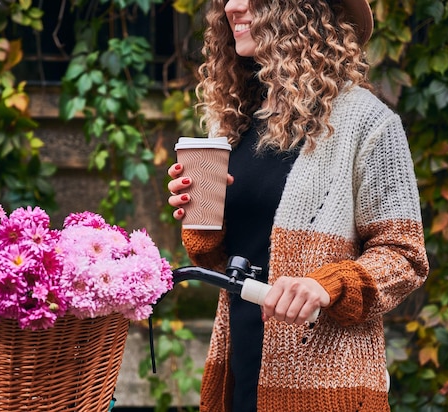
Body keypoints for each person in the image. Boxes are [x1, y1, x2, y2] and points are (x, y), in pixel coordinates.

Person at [167, 0, 429, 411]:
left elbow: (405, 257)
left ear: (299, 10)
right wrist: (198, 214)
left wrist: (325, 285)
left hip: (327, 388)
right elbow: (215, 261)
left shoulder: (367, 122)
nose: (233, 6)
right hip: (238, 374)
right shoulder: (232, 124)